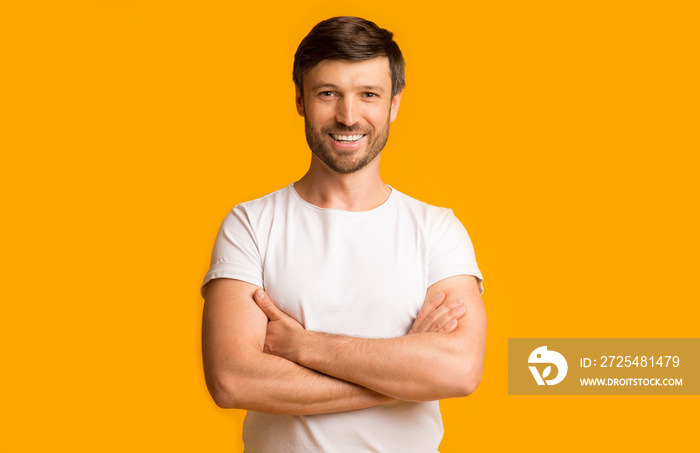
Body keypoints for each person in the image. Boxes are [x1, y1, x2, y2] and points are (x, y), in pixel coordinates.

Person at [201, 16, 486, 452]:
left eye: (368, 94)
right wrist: (402, 379)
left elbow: (461, 370)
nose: (348, 116)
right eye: (328, 93)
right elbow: (232, 379)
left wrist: (304, 346)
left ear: (394, 103)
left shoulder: (437, 230)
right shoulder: (250, 225)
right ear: (300, 98)